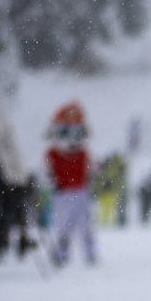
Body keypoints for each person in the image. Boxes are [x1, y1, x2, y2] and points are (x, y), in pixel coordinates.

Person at [46, 101, 95, 265]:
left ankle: (90, 254)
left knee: (85, 225)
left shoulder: (83, 153)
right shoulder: (52, 154)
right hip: (63, 193)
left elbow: (91, 169)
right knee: (64, 227)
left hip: (80, 191)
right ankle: (61, 254)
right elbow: (46, 173)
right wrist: (53, 182)